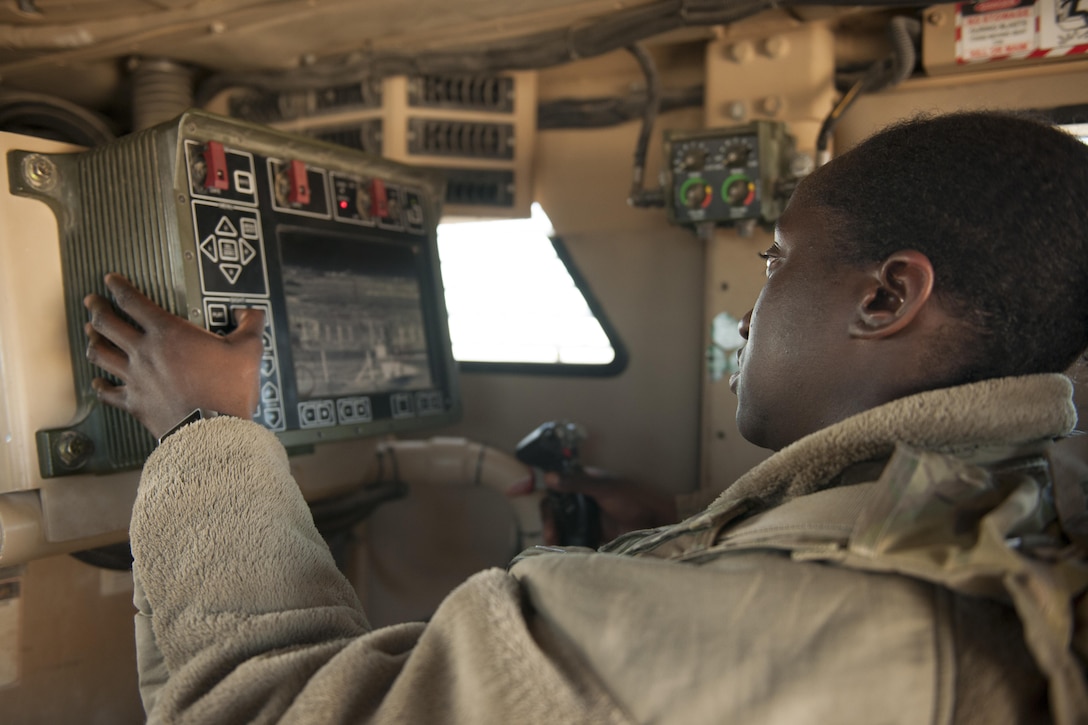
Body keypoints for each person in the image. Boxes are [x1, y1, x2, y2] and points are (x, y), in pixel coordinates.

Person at [83, 110, 1088, 724]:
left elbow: (257, 708)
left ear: (884, 297)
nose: (747, 307)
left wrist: (204, 427)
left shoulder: (722, 635)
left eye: (777, 258)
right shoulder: (1020, 504)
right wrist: (686, 524)